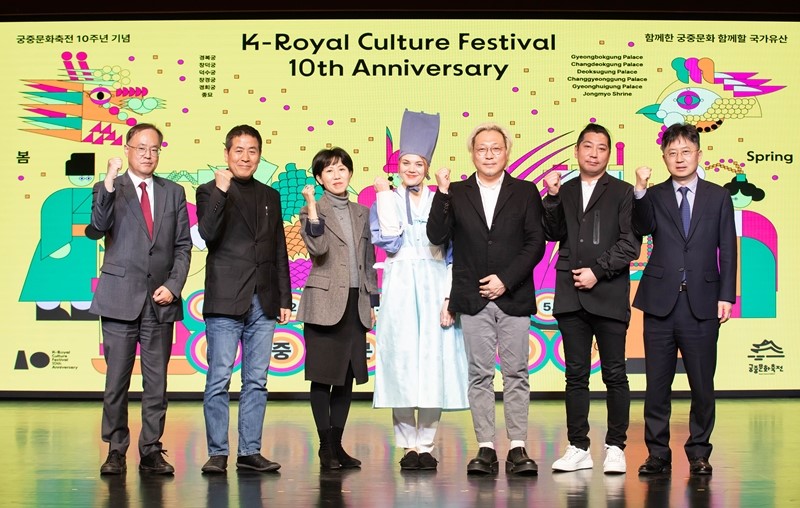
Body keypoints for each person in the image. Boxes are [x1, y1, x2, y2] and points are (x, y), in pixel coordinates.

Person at [427, 122, 546, 476]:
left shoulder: (525, 191)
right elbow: (436, 235)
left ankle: (518, 447)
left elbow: (535, 243)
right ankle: (485, 447)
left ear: (507, 151)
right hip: (473, 296)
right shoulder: (458, 192)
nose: (489, 154)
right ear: (472, 154)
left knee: (516, 373)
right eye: (482, 149)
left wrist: (506, 281)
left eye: (496, 148)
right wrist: (443, 194)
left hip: (514, 295)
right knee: (479, 374)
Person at [632, 123, 736, 476]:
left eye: (685, 152)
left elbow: (729, 249)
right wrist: (641, 190)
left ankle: (699, 452)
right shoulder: (655, 194)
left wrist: (726, 295)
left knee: (702, 384)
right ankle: (658, 453)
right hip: (660, 301)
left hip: (704, 301)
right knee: (657, 384)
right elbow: (641, 226)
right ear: (664, 158)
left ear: (698, 154)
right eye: (672, 153)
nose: (679, 158)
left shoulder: (719, 196)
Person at [370, 110, 469, 471]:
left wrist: (449, 298)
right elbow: (391, 242)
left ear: (427, 167)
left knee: (433, 365)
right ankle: (407, 446)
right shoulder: (386, 198)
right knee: (400, 363)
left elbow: (453, 253)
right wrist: (383, 196)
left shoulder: (442, 199)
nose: (411, 168)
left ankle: (426, 444)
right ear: (397, 165)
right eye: (405, 162)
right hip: (398, 285)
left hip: (433, 282)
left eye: (419, 163)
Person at [90, 123, 192, 475]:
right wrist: (107, 179)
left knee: (157, 382)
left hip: (160, 301)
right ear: (128, 148)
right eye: (142, 148)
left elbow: (183, 246)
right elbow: (98, 226)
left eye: (155, 149)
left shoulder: (173, 192)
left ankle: (151, 450)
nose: (149, 154)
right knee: (116, 379)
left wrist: (175, 285)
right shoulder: (110, 188)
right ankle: (116, 449)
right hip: (119, 298)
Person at [541, 123, 640, 474]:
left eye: (601, 147)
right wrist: (551, 198)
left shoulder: (623, 191)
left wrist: (598, 271)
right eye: (587, 146)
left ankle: (615, 446)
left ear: (608, 154)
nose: (594, 153)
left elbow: (630, 244)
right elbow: (552, 234)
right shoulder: (565, 190)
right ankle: (578, 447)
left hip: (609, 293)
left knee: (615, 373)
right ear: (578, 151)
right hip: (570, 296)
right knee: (576, 375)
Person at [196, 124, 292, 474]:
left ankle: (250, 451)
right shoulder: (208, 191)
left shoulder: (270, 195)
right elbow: (206, 235)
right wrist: (222, 192)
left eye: (252, 150)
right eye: (238, 150)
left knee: (257, 380)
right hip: (225, 299)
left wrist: (283, 296)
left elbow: (278, 247)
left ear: (259, 155)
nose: (245, 157)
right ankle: (218, 453)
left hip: (263, 301)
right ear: (226, 154)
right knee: (219, 377)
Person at [297, 147, 379, 470]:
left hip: (356, 304)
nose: (336, 175)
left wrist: (373, 302)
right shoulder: (311, 210)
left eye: (342, 169)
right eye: (329, 170)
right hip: (324, 304)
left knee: (346, 378)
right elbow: (318, 249)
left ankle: (338, 446)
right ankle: (325, 447)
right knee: (322, 377)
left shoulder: (363, 212)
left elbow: (369, 262)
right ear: (319, 178)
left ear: (349, 173)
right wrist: (313, 209)